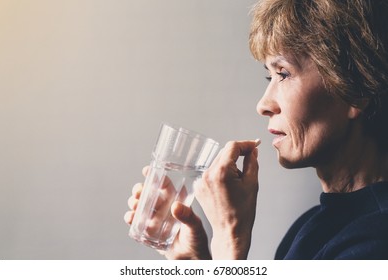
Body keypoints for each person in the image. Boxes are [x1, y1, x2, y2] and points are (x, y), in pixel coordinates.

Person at [124, 0, 388, 259]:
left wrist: (230, 239)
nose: (263, 105)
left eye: (283, 74)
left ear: (356, 90)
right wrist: (196, 264)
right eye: (268, 76)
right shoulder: (308, 228)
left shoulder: (375, 242)